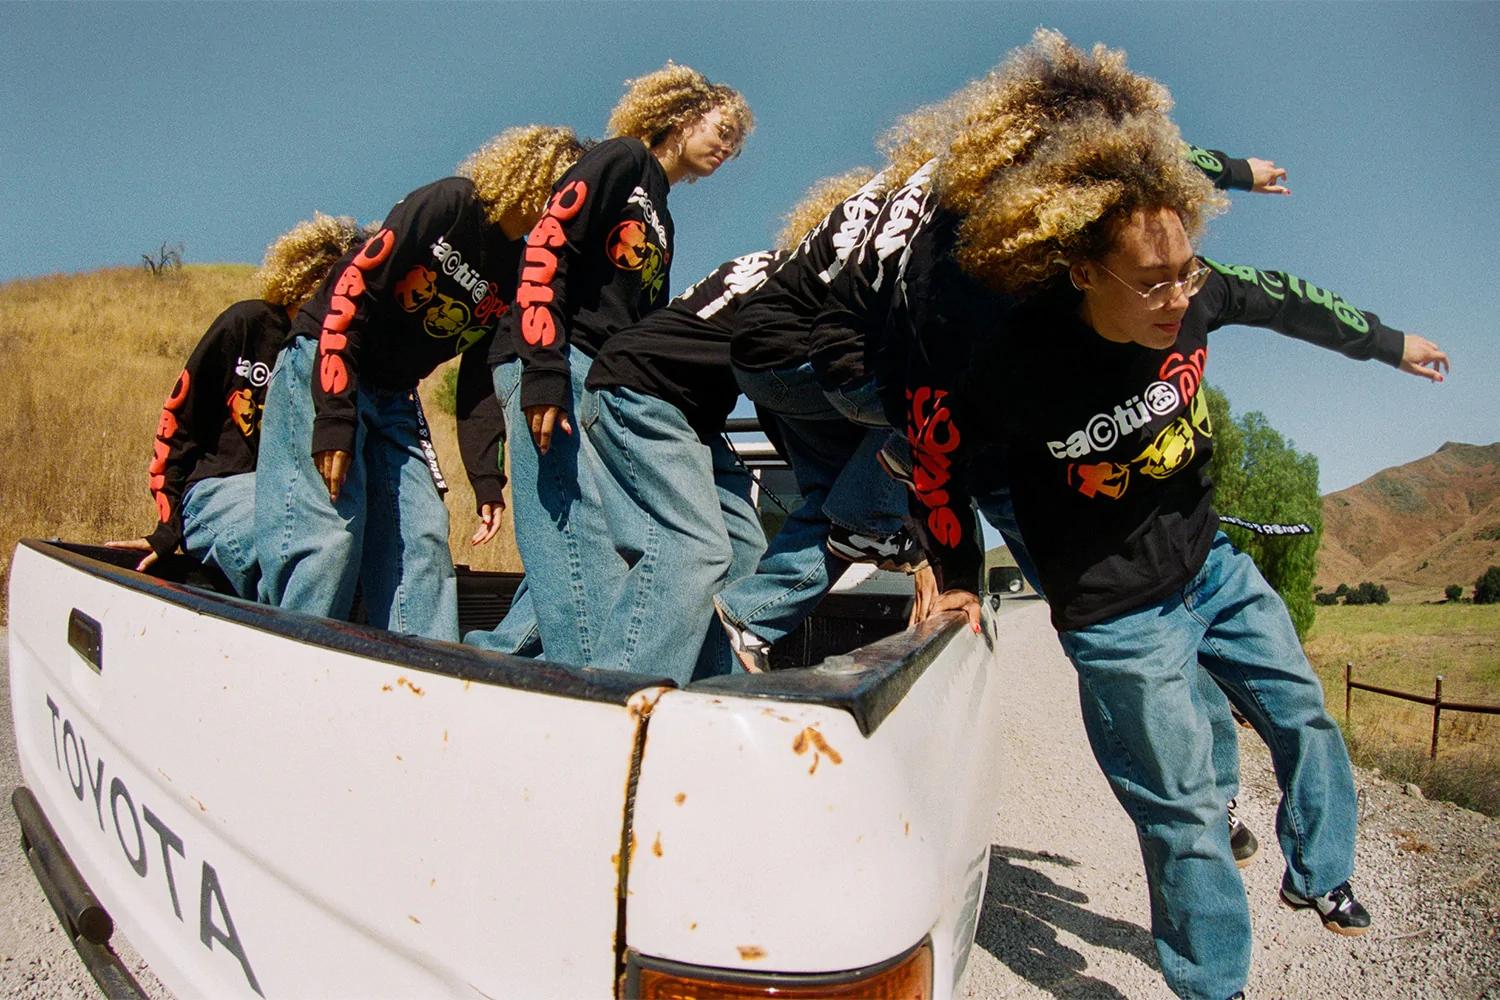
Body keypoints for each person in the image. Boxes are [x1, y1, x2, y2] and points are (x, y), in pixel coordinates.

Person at [920, 98, 1448, 999]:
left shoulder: (1195, 293)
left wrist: (1389, 344)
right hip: (1118, 615)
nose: (1179, 298)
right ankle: (1215, 985)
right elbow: (934, 457)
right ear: (1085, 272)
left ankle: (1318, 874)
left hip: (1212, 567)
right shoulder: (1021, 361)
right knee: (1184, 810)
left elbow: (1288, 301)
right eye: (1152, 283)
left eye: (1186, 272)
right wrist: (958, 572)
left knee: (1305, 716)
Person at [255, 126, 585, 640]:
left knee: (424, 540)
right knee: (331, 535)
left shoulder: (520, 271)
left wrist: (486, 480)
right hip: (330, 364)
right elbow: (353, 284)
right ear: (540, 176)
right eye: (568, 192)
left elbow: (478, 379)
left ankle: (422, 682)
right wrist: (336, 414)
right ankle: (295, 663)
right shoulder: (452, 204)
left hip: (394, 396)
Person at [474, 64, 751, 665]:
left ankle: (531, 665)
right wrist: (544, 369)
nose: (728, 146)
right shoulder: (622, 160)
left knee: (603, 541)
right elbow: (550, 242)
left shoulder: (663, 214)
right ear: (681, 115)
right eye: (722, 127)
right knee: (574, 532)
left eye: (737, 140)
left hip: (602, 377)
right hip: (552, 354)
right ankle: (586, 695)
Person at [109, 214, 369, 598]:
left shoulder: (345, 360)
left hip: (298, 497)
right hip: (218, 492)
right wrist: (167, 529)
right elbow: (178, 422)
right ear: (313, 275)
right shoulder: (246, 324)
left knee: (338, 538)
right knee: (290, 532)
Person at [580, 250, 782, 683]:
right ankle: (617, 698)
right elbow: (780, 397)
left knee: (746, 548)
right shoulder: (803, 280)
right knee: (696, 549)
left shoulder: (778, 268)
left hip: (692, 418)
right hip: (638, 388)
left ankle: (713, 689)